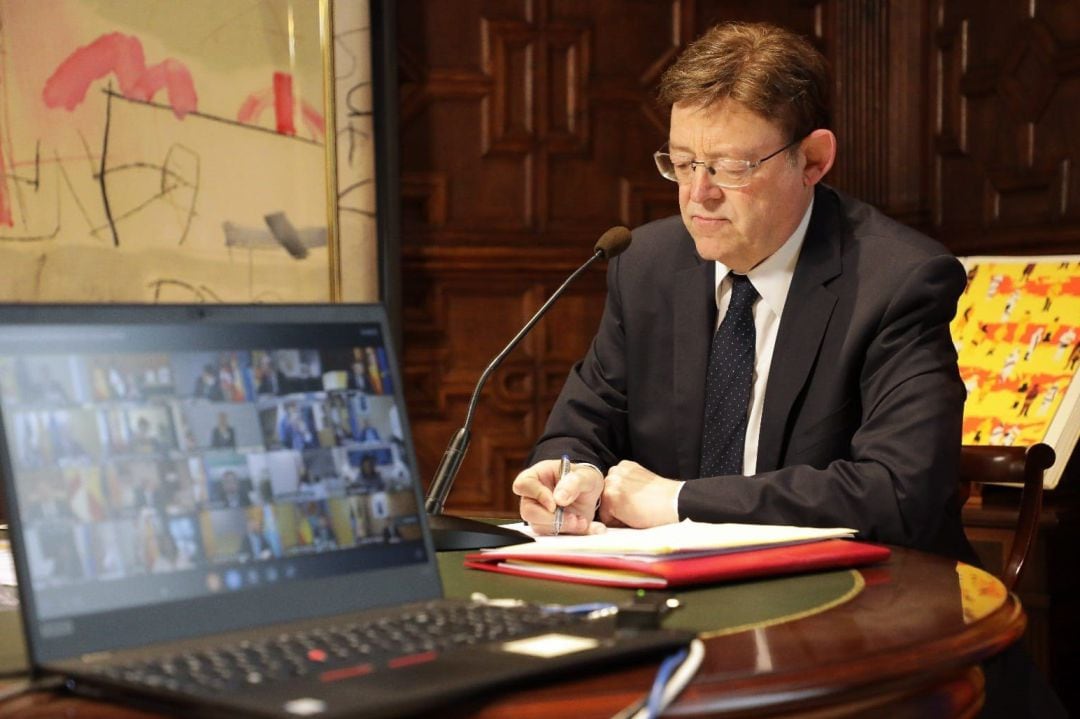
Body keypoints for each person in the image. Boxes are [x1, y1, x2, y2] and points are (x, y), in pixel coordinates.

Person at [511, 21, 1065, 719]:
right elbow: (580, 426)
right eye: (682, 163)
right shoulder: (647, 265)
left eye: (731, 167)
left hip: (876, 639)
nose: (698, 196)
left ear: (814, 159)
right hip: (685, 633)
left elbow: (897, 493)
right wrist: (567, 474)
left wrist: (680, 500)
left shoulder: (897, 280)